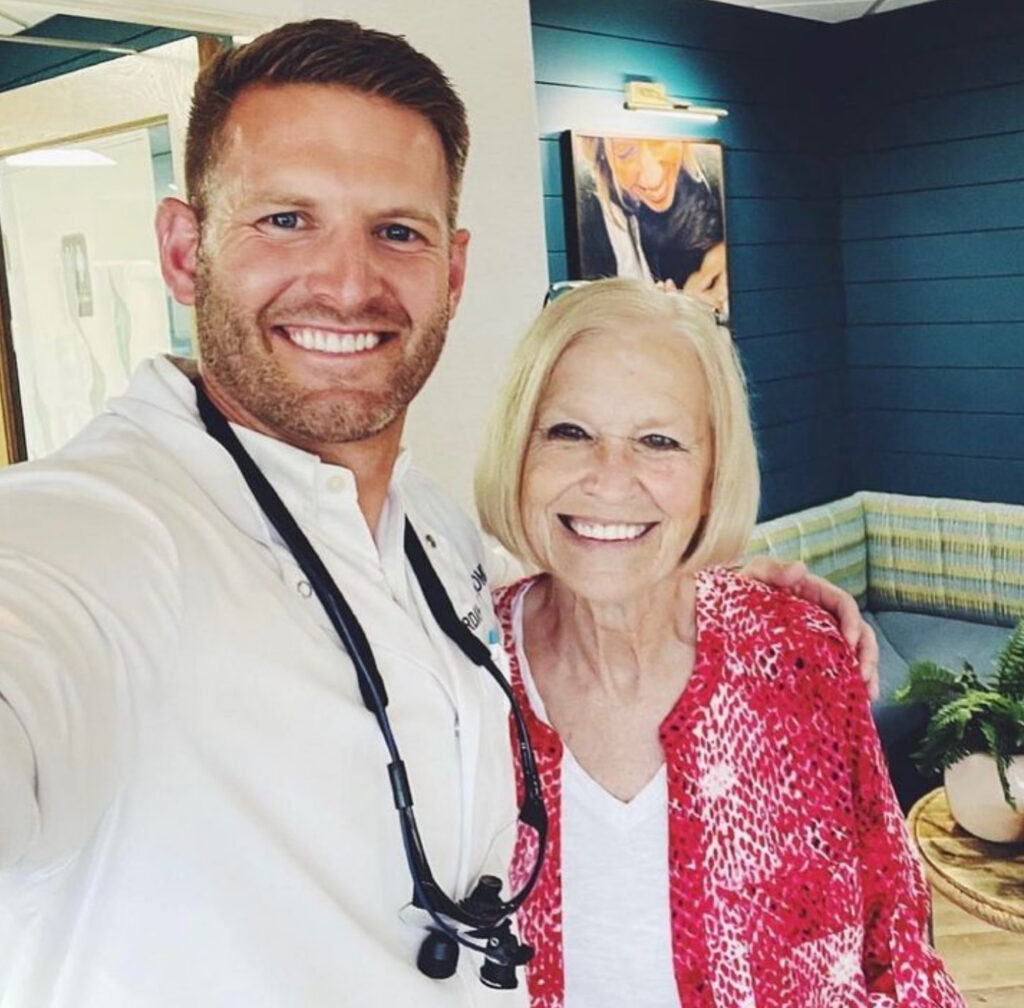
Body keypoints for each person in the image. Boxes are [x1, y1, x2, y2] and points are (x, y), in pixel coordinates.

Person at [0, 19, 874, 1007]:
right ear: (180, 248)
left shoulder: (431, 535)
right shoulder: (102, 537)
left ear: (453, 273)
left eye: (397, 231)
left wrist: (698, 585)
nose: (345, 281)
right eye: (285, 218)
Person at [475, 278, 963, 1008]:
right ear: (520, 451)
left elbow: (896, 943)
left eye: (659, 440)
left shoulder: (797, 655)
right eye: (569, 431)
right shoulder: (460, 671)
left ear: (712, 475)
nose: (610, 479)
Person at [572, 136, 728, 314]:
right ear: (603, 159)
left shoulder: (713, 172)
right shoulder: (591, 213)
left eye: (659, 142)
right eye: (625, 153)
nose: (652, 178)